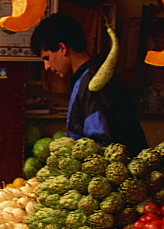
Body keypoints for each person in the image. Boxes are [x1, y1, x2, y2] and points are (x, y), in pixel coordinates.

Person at [31, 13, 148, 157]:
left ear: (62, 48)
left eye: (47, 58)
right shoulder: (85, 78)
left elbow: (103, 144)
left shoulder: (96, 83)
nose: (47, 66)